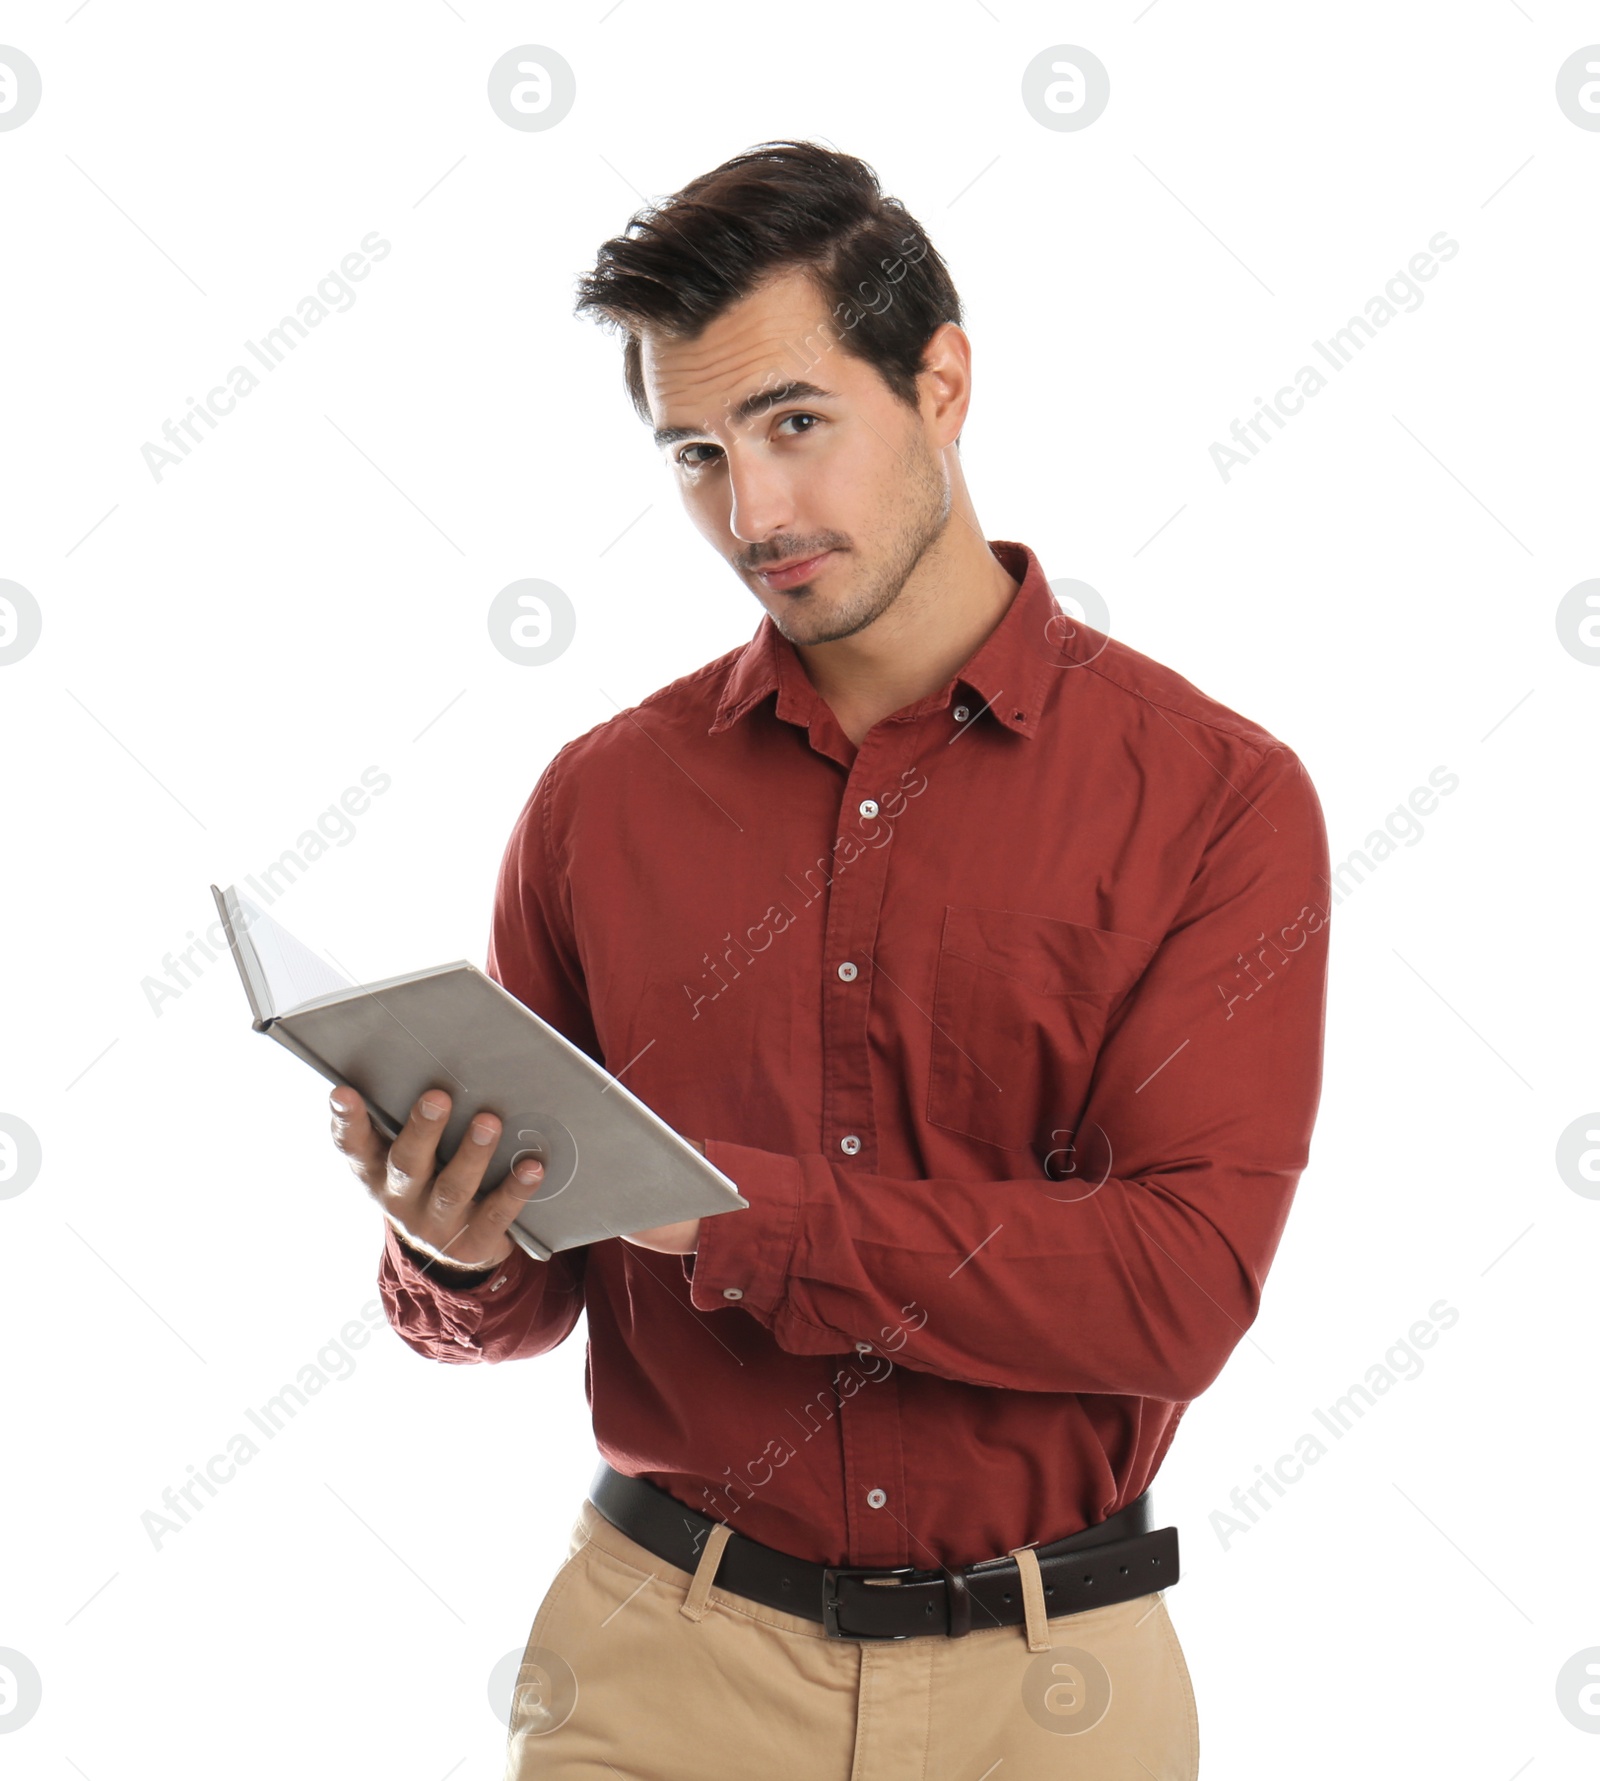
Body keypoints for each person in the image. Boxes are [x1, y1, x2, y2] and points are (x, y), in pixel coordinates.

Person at [328, 140, 1330, 1779]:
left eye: (798, 423)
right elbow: (532, 1298)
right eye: (698, 453)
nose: (756, 510)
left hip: (1052, 1695)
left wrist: (726, 1205)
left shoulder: (1217, 800)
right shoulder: (600, 804)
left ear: (940, 380)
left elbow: (1178, 1290)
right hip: (659, 1669)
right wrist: (450, 1248)